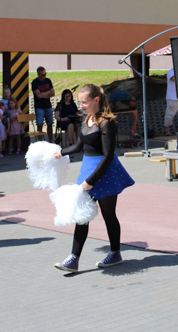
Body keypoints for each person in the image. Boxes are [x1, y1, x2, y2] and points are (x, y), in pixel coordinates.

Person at [53, 83, 135, 272]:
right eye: (79, 102)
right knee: (82, 216)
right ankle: (73, 259)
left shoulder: (107, 122)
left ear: (95, 100)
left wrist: (90, 181)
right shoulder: (86, 119)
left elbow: (107, 156)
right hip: (87, 169)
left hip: (104, 172)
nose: (81, 105)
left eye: (84, 102)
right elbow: (79, 146)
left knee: (108, 215)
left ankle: (115, 253)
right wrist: (60, 152)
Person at [31, 67, 55, 143]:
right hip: (39, 107)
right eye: (42, 75)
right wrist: (48, 93)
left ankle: (50, 141)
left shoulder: (48, 81)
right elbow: (39, 96)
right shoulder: (35, 82)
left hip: (48, 106)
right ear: (38, 74)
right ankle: (40, 142)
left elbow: (53, 93)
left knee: (50, 124)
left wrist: (43, 94)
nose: (44, 76)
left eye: (45, 74)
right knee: (39, 124)